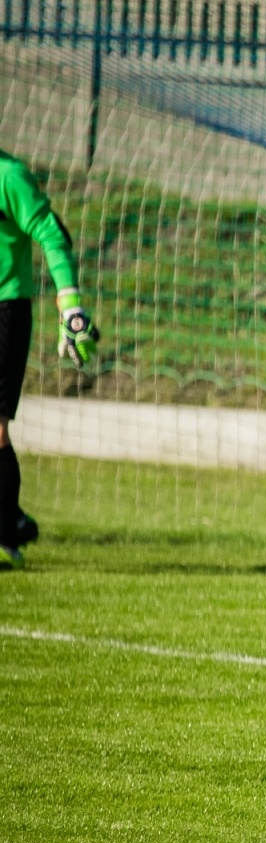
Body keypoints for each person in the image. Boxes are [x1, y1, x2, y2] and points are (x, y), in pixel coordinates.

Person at [0, 147, 99, 570]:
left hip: (5, 308)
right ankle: (12, 520)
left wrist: (70, 304)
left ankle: (6, 532)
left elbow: (52, 235)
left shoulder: (9, 176)